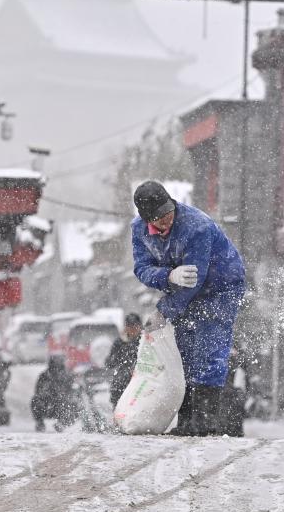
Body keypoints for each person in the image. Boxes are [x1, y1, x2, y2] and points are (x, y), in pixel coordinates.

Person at [131, 180, 246, 436]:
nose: (166, 220)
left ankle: (205, 422)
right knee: (183, 352)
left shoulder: (197, 227)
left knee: (208, 348)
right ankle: (186, 422)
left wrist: (163, 311)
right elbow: (141, 268)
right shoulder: (139, 231)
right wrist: (168, 276)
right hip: (182, 287)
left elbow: (195, 280)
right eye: (159, 218)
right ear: (147, 218)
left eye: (169, 212)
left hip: (220, 288)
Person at [105, 312, 144, 407]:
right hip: (121, 386)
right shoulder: (119, 342)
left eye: (135, 326)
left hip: (140, 386)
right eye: (129, 326)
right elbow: (109, 363)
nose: (132, 329)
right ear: (125, 327)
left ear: (140, 326)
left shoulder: (145, 341)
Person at [31, 355, 75, 432]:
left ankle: (62, 423)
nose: (56, 368)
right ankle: (40, 422)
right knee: (35, 400)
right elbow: (38, 390)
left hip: (62, 402)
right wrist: (46, 394)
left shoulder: (67, 376)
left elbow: (72, 391)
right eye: (54, 365)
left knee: (70, 403)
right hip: (47, 401)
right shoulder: (44, 376)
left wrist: (62, 395)